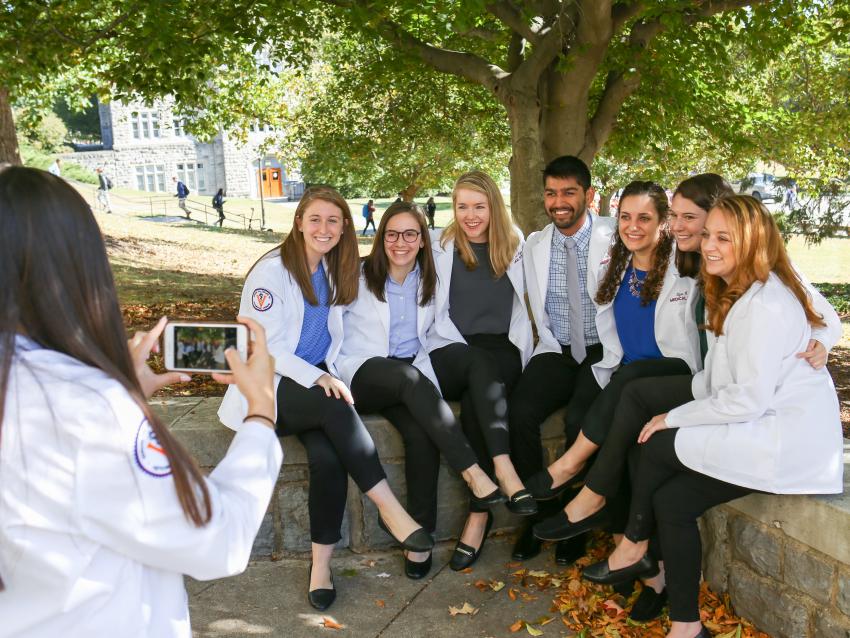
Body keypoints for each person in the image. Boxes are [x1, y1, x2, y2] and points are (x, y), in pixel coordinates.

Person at [0, 166, 281, 637]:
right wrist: (260, 413)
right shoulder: (86, 407)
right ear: (77, 265)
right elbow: (216, 541)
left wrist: (126, 394)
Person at [547, 173, 842, 621]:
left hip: (779, 435)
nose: (706, 243)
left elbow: (748, 397)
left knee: (657, 443)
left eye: (718, 235)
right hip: (746, 409)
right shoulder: (730, 287)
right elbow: (718, 377)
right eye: (705, 235)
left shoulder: (763, 302)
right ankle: (684, 620)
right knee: (668, 491)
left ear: (751, 241)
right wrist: (675, 411)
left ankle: (630, 540)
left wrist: (677, 418)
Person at [218, 185, 432, 611]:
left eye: (334, 220)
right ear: (298, 222)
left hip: (311, 386)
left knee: (330, 459)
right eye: (315, 219)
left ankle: (321, 565)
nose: (324, 228)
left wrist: (328, 374)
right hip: (270, 386)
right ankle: (390, 510)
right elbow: (266, 345)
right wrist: (319, 378)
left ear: (344, 228)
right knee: (338, 404)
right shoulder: (272, 271)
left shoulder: (334, 268)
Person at [338, 201, 506, 576]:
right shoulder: (357, 275)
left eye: (410, 234)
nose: (401, 242)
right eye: (393, 234)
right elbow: (329, 323)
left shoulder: (428, 277)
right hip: (362, 371)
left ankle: (420, 535)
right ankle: (474, 473)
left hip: (407, 373)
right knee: (410, 380)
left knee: (420, 432)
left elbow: (437, 327)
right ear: (382, 238)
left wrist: (455, 354)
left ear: (422, 240)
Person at [530, 180, 701, 540]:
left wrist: (820, 338)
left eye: (644, 218)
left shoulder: (686, 265)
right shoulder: (616, 263)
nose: (633, 226)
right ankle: (615, 534)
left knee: (630, 381)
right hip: (628, 373)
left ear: (662, 222)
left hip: (678, 372)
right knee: (583, 413)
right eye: (625, 216)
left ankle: (571, 468)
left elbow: (794, 288)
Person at [507, 155, 616, 564]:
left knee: (579, 421)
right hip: (557, 348)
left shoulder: (614, 238)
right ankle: (539, 514)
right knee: (519, 411)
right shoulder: (535, 245)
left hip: (602, 352)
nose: (559, 202)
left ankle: (577, 518)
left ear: (588, 195)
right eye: (551, 193)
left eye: (569, 192)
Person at [426, 170, 536, 568]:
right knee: (477, 367)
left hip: (501, 349)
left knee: (481, 392)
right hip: (450, 346)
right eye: (462, 206)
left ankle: (478, 514)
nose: (470, 215)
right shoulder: (441, 245)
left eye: (479, 206)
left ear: (494, 206)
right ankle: (505, 470)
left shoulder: (515, 243)